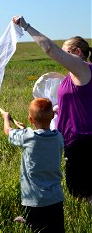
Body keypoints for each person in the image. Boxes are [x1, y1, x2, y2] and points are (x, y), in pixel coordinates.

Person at [13, 16, 92, 202]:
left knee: (85, 194)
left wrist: (26, 26)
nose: (61, 56)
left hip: (84, 143)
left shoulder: (81, 69)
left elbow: (50, 49)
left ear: (77, 52)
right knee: (80, 192)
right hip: (75, 142)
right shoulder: (75, 75)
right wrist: (58, 109)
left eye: (65, 52)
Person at [2, 98, 66, 233]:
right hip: (55, 199)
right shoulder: (58, 137)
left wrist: (7, 118)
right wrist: (25, 129)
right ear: (52, 116)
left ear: (30, 119)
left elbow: (8, 132)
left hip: (33, 200)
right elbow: (39, 135)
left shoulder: (27, 137)